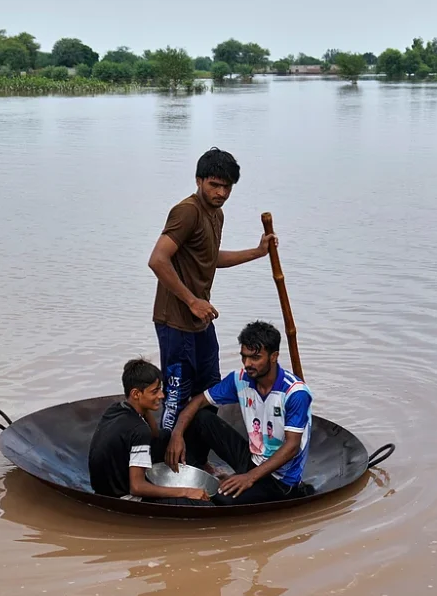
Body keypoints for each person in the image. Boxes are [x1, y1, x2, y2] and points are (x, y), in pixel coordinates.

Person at [147, 147, 277, 436]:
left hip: (200, 320)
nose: (220, 193)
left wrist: (257, 253)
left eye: (226, 187)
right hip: (175, 321)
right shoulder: (187, 211)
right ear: (198, 181)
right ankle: (167, 460)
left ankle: (198, 456)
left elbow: (209, 257)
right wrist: (192, 301)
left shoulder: (216, 215)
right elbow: (157, 259)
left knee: (209, 389)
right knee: (177, 394)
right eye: (214, 185)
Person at [165, 321, 313, 506]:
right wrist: (176, 435)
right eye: (244, 357)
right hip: (252, 458)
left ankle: (241, 484)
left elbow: (291, 447)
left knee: (220, 498)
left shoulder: (294, 393)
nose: (248, 364)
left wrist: (249, 477)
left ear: (273, 356)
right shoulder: (241, 379)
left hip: (280, 479)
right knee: (201, 417)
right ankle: (194, 469)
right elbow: (198, 401)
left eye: (255, 358)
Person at [87, 358, 212, 504]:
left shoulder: (115, 408)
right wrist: (187, 491)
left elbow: (155, 435)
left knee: (166, 436)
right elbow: (137, 487)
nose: (161, 395)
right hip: (124, 497)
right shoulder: (139, 431)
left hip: (103, 487)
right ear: (136, 394)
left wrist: (145, 409)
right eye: (154, 391)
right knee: (203, 504)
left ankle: (193, 469)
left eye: (160, 389)